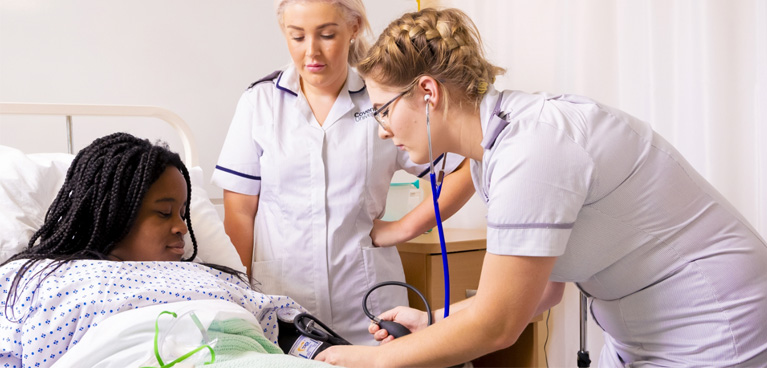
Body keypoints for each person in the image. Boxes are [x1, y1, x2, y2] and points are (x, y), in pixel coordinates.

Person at [315, 7, 767, 367]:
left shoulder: (532, 148)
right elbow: (539, 292)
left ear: (427, 92)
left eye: (382, 111)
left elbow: (498, 326)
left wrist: (375, 361)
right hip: (640, 333)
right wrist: (432, 321)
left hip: (715, 325)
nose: (382, 130)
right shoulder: (491, 153)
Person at [211, 0, 475, 344]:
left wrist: (405, 227)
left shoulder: (383, 98)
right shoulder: (260, 103)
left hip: (371, 311)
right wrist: (242, 302)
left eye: (327, 34)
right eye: (298, 37)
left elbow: (466, 165)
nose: (312, 52)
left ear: (353, 28)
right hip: (283, 313)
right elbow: (240, 214)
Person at [0, 133, 316, 368]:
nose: (181, 227)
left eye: (182, 214)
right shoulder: (35, 278)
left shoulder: (210, 276)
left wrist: (326, 352)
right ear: (114, 213)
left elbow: (287, 326)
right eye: (165, 213)